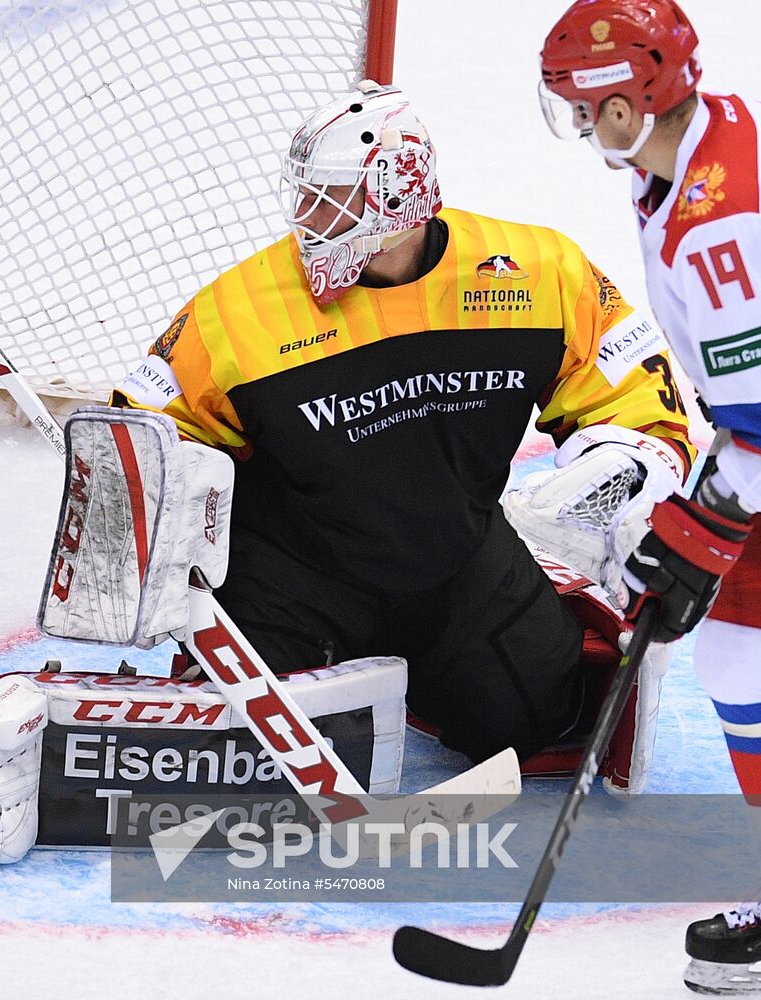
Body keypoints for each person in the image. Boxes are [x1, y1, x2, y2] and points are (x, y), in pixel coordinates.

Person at [109, 80, 693, 768]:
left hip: (453, 557)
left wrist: (616, 474)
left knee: (537, 719)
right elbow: (143, 432)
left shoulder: (535, 272)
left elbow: (636, 393)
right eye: (302, 194)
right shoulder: (238, 310)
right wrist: (160, 516)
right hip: (296, 574)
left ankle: (474, 647)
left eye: (325, 198)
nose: (304, 216)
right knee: (243, 755)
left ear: (398, 197)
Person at [540, 1, 761, 993]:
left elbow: (758, 428)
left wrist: (694, 535)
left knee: (737, 642)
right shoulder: (698, 149)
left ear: (627, 105)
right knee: (737, 647)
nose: (582, 126)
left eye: (586, 108)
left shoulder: (721, 222)